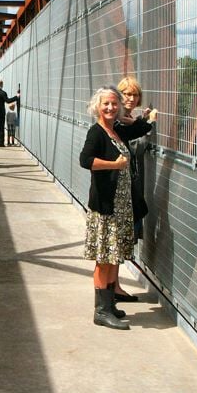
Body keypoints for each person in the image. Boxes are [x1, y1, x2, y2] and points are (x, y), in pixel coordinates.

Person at [79, 86, 135, 330]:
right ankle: (101, 311)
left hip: (120, 207)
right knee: (104, 259)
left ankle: (110, 304)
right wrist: (114, 165)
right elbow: (86, 160)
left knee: (114, 257)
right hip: (106, 208)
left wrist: (143, 118)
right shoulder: (97, 132)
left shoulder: (115, 131)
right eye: (106, 104)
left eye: (114, 103)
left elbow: (139, 128)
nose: (111, 107)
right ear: (97, 107)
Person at [113, 76, 157, 303]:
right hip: (121, 188)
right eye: (126, 94)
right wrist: (147, 128)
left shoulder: (126, 120)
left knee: (122, 240)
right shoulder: (118, 122)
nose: (131, 98)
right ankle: (112, 289)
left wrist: (140, 123)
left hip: (130, 185)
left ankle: (115, 287)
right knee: (120, 239)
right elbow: (135, 151)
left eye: (134, 94)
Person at [0, 79, 20, 146]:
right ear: (2, 84)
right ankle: (1, 143)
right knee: (0, 128)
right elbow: (8, 101)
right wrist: (17, 97)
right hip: (0, 113)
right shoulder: (3, 93)